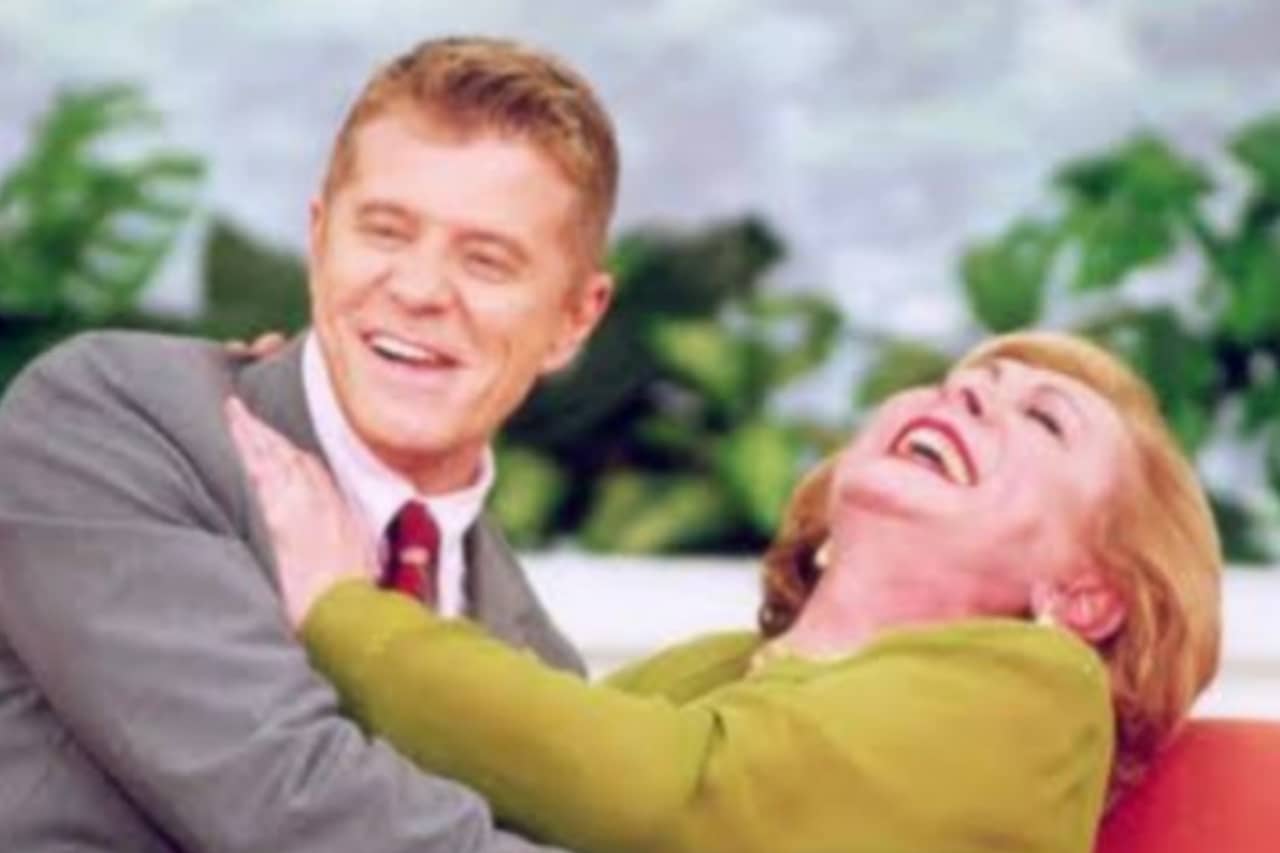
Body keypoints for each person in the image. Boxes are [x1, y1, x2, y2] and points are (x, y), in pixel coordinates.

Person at [230, 331, 1222, 853]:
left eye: (1042, 420)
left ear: (1084, 595)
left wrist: (340, 604)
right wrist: (338, 456)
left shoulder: (1040, 691)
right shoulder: (709, 670)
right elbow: (467, 787)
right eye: (962, 382)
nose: (963, 393)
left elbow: (677, 793)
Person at [0, 37, 616, 851]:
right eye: (386, 232)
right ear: (320, 241)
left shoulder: (540, 663)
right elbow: (286, 799)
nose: (419, 289)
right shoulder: (110, 426)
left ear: (574, 318)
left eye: (486, 260)